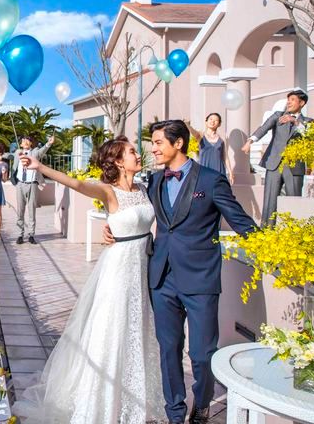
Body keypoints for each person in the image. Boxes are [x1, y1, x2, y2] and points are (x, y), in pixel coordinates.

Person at [104, 120, 255, 424]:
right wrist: (110, 228)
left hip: (200, 278)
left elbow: (241, 221)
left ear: (178, 144)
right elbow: (128, 206)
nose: (153, 149)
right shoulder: (153, 182)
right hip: (162, 278)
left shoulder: (211, 181)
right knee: (168, 349)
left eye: (158, 142)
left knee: (202, 353)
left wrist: (273, 250)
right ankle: (174, 411)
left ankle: (202, 404)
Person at [12, 137, 164, 423]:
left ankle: (133, 402)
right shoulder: (108, 191)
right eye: (132, 152)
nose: (138, 155)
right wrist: (39, 166)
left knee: (136, 330)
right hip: (119, 270)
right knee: (112, 331)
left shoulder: (145, 188)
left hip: (142, 267)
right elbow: (77, 184)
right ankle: (101, 405)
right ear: (118, 161)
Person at [241, 89, 313, 226]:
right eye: (288, 99)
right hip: (274, 163)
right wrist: (250, 141)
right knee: (270, 198)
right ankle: (267, 228)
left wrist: (295, 122)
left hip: (294, 165)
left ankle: (293, 229)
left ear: (302, 103)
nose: (289, 102)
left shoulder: (308, 121)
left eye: (292, 100)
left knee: (294, 198)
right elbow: (263, 128)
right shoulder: (278, 115)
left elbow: (310, 136)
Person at [10, 134, 54, 245]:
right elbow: (9, 155)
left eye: (28, 140)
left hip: (32, 184)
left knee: (32, 210)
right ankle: (20, 234)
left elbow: (42, 151)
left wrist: (49, 143)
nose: (25, 141)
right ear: (20, 144)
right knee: (20, 210)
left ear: (31, 143)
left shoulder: (34, 152)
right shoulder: (18, 153)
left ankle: (31, 235)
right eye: (23, 140)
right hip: (20, 184)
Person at [187, 113, 234, 183]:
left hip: (219, 171)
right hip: (204, 170)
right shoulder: (200, 135)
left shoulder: (222, 138)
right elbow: (193, 132)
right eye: (211, 119)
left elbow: (225, 157)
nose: (213, 121)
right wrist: (187, 125)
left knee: (218, 189)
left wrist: (231, 173)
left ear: (219, 124)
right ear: (206, 122)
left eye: (216, 120)